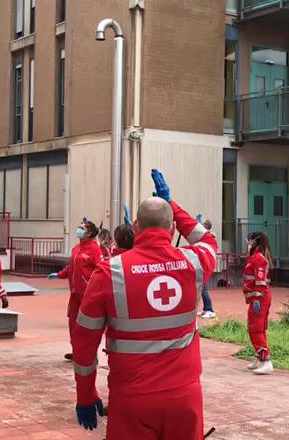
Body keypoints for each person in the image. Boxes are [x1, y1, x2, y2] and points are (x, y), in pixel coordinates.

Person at [71, 169, 218, 439]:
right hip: (184, 396)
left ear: (135, 227)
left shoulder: (110, 272)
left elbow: (84, 341)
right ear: (172, 228)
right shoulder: (194, 262)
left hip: (131, 399)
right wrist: (171, 205)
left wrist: (85, 393)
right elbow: (208, 239)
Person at [49, 220, 102, 361]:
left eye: (81, 228)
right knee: (73, 324)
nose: (78, 230)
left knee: (87, 326)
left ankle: (91, 354)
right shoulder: (76, 248)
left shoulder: (94, 249)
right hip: (74, 294)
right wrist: (59, 274)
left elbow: (100, 270)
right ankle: (77, 351)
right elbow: (71, 267)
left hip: (87, 294)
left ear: (89, 233)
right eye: (79, 227)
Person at [244, 231, 274, 375]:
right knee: (256, 327)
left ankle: (266, 360)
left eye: (249, 241)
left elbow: (260, 282)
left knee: (256, 328)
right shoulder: (255, 257)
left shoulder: (259, 259)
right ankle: (259, 357)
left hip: (259, 298)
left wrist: (256, 300)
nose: (248, 243)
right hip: (257, 298)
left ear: (255, 242)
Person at [198, 217, 216, 319]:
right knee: (202, 288)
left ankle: (210, 310)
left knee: (203, 288)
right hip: (203, 263)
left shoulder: (208, 236)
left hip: (205, 264)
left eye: (202, 223)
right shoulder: (203, 235)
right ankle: (206, 309)